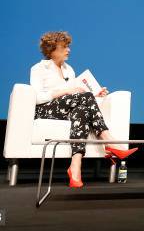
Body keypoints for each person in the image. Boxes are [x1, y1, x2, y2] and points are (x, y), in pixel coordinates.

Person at [30, 31, 137, 188]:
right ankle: (109, 141)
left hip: (66, 109)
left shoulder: (69, 70)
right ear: (52, 49)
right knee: (83, 100)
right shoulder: (39, 68)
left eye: (68, 46)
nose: (69, 50)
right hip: (45, 109)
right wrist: (64, 91)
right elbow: (37, 97)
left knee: (82, 111)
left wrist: (96, 95)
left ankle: (75, 167)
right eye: (64, 47)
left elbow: (77, 97)